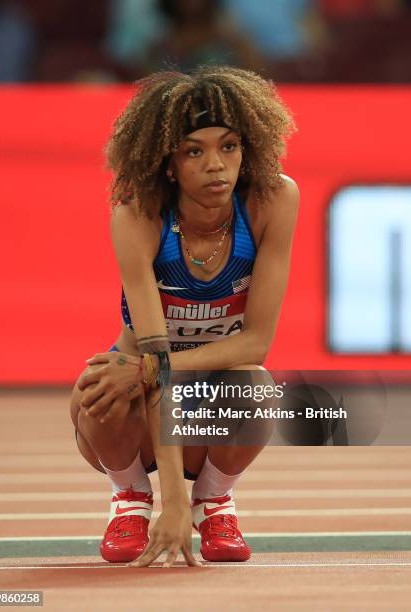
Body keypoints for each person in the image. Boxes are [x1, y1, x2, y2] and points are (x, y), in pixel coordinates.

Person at [69, 65, 299, 567]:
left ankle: (213, 501)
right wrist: (166, 500)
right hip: (132, 408)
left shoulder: (272, 199)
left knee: (257, 388)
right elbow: (155, 361)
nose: (216, 165)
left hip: (209, 399)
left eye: (229, 146)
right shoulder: (137, 214)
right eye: (195, 151)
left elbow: (256, 344)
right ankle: (130, 496)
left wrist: (185, 502)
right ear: (169, 164)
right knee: (97, 387)